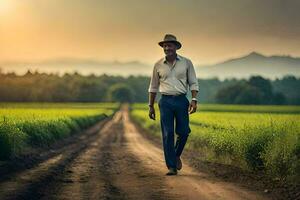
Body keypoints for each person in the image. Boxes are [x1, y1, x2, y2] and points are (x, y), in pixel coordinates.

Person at [148, 34, 199, 175]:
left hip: (181, 100)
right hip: (165, 102)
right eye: (164, 45)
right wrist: (151, 106)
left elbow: (193, 82)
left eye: (169, 45)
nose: (167, 48)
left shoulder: (186, 63)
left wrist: (194, 100)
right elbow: (153, 87)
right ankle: (171, 166)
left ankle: (175, 155)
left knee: (184, 131)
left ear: (176, 47)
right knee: (167, 133)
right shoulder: (158, 65)